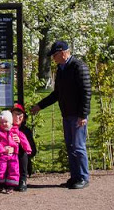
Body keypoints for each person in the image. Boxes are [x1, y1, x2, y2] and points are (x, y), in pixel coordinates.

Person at [31, 40, 91, 190]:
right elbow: (57, 93)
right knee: (71, 147)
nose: (53, 58)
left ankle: (83, 177)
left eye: (55, 55)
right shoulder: (61, 69)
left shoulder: (79, 67)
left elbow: (86, 92)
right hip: (67, 114)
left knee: (78, 147)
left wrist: (83, 115)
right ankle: (75, 177)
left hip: (77, 115)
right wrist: (40, 106)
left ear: (63, 53)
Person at [0, 110, 32, 193]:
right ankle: (1, 184)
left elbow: (24, 140)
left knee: (13, 169)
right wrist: (2, 149)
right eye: (2, 122)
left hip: (14, 155)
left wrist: (25, 147)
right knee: (0, 168)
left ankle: (12, 185)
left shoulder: (17, 131)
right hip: (2, 155)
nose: (4, 124)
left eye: (6, 122)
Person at [11, 103, 37, 192]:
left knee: (23, 153)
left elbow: (33, 151)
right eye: (15, 114)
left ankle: (22, 180)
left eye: (20, 115)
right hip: (7, 158)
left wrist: (21, 143)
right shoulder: (3, 128)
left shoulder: (26, 131)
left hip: (21, 159)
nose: (18, 117)